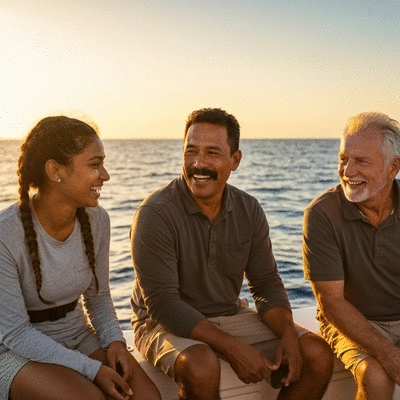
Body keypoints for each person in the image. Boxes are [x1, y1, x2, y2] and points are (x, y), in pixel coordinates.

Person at [130, 107, 334, 400]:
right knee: (201, 366)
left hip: (227, 313)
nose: (198, 164)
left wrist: (289, 334)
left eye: (212, 153)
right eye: (191, 151)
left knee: (316, 354)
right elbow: (163, 303)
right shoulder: (154, 214)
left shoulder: (248, 209)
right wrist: (232, 347)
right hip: (160, 323)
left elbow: (265, 283)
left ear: (234, 160)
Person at [0, 116, 161, 400]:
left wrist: (115, 342)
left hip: (75, 333)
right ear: (55, 171)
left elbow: (98, 297)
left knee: (148, 397)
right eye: (95, 164)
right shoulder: (6, 233)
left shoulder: (98, 220)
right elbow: (16, 333)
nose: (105, 175)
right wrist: (91, 369)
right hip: (14, 348)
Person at [303, 112, 400, 400]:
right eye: (343, 159)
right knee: (376, 375)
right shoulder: (322, 214)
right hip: (351, 321)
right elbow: (331, 302)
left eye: (361, 161)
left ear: (393, 167)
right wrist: (389, 353)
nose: (347, 170)